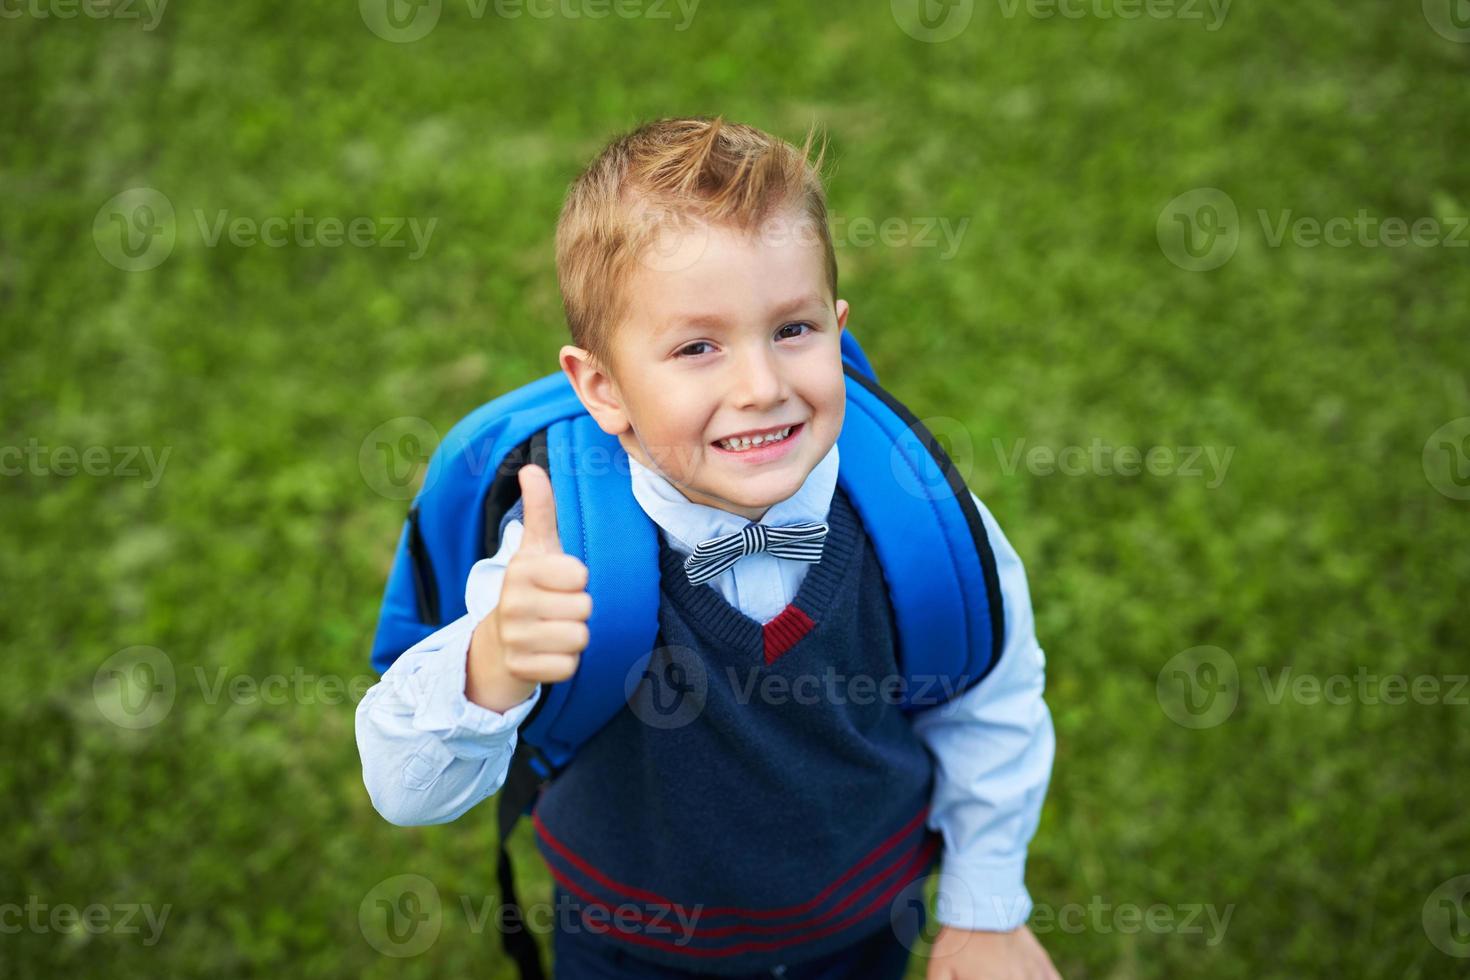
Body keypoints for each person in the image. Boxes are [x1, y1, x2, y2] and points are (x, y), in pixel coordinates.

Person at [356, 116, 1058, 980]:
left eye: (793, 330)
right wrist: (494, 658)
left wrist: (985, 907)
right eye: (697, 347)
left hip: (866, 925)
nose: (760, 388)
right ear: (602, 388)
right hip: (632, 948)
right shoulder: (560, 561)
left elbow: (990, 698)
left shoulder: (920, 522)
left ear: (839, 328)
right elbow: (404, 788)